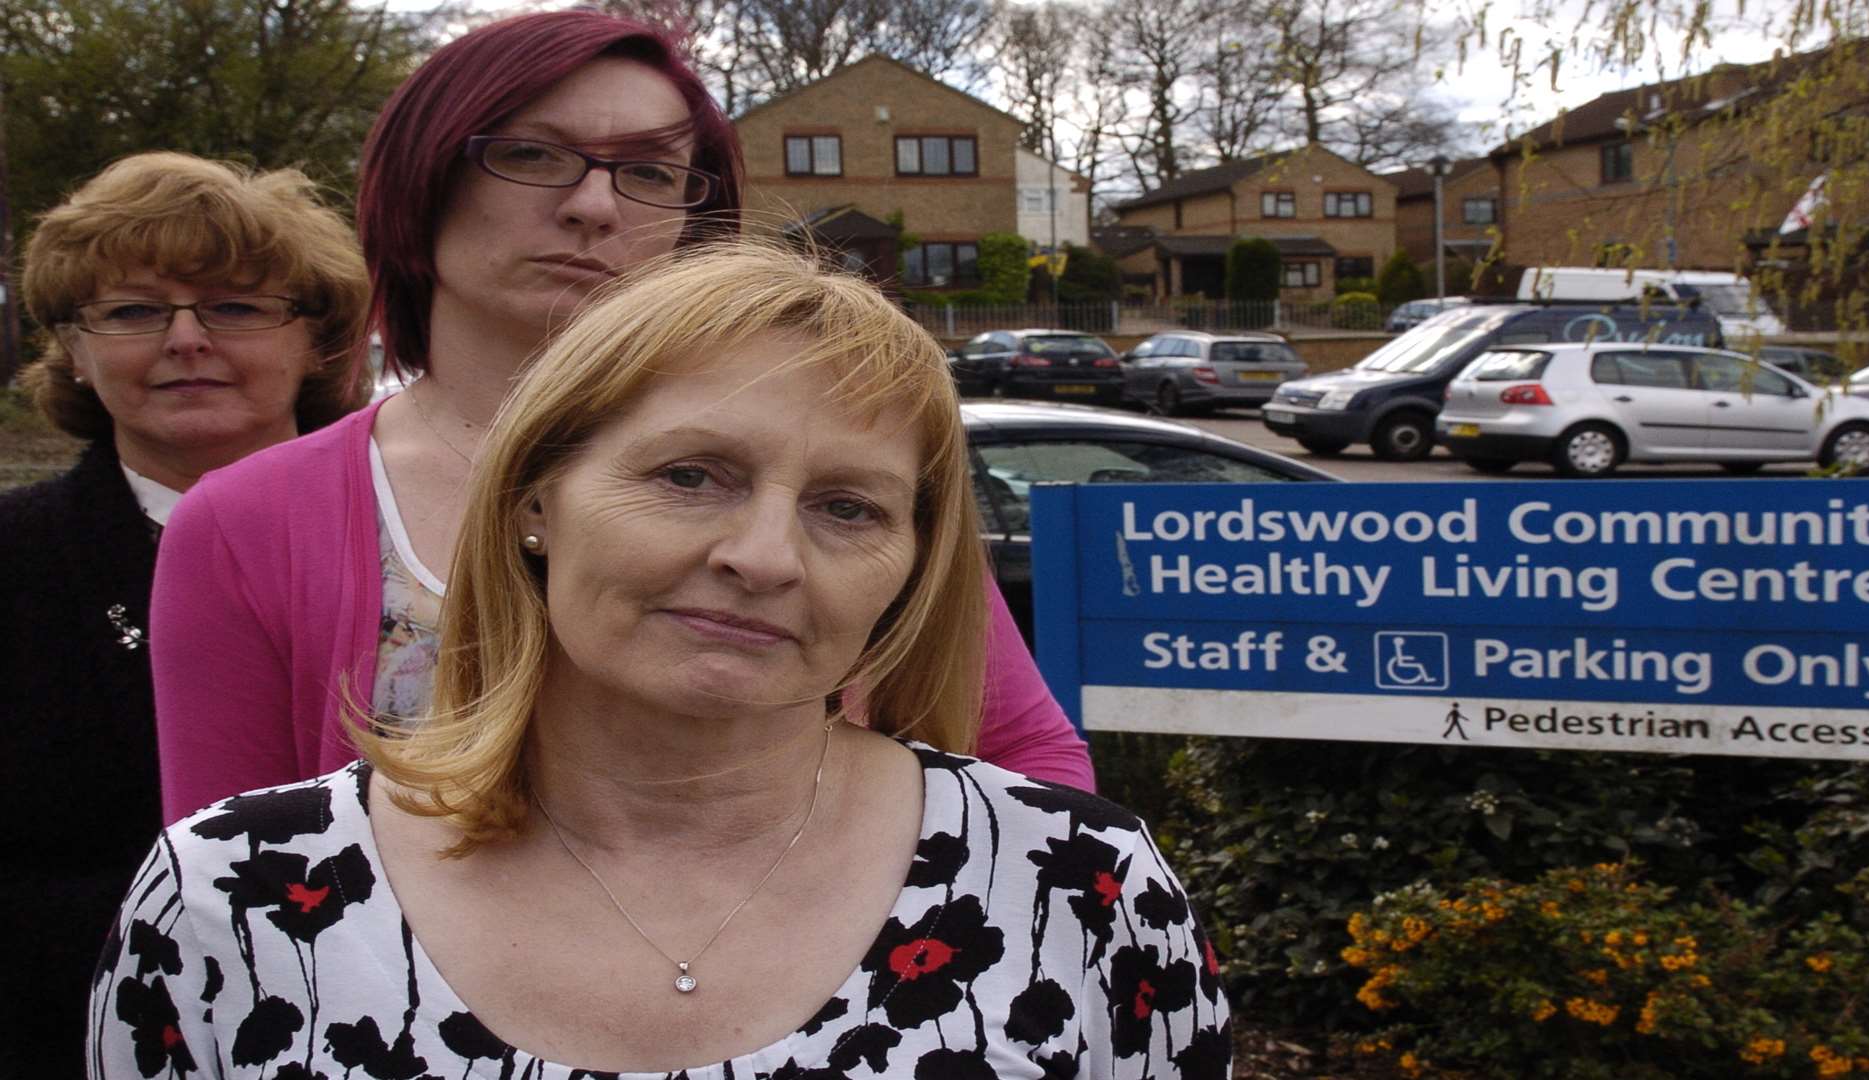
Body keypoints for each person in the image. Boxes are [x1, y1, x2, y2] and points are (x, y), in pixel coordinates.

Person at [94, 245, 1229, 1077]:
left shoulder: (1079, 887)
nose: (764, 557)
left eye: (847, 507)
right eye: (692, 476)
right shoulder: (234, 898)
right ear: (537, 499)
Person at [150, 11, 1092, 823]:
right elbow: (232, 895)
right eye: (530, 154)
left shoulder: (835, 475)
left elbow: (1029, 765)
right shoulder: (246, 521)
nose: (594, 204)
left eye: (649, 171)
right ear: (422, 179)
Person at [0, 151, 369, 1078]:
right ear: (75, 350)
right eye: (132, 312)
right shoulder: (18, 562)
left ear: (318, 342)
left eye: (235, 307)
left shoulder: (447, 537)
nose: (186, 340)